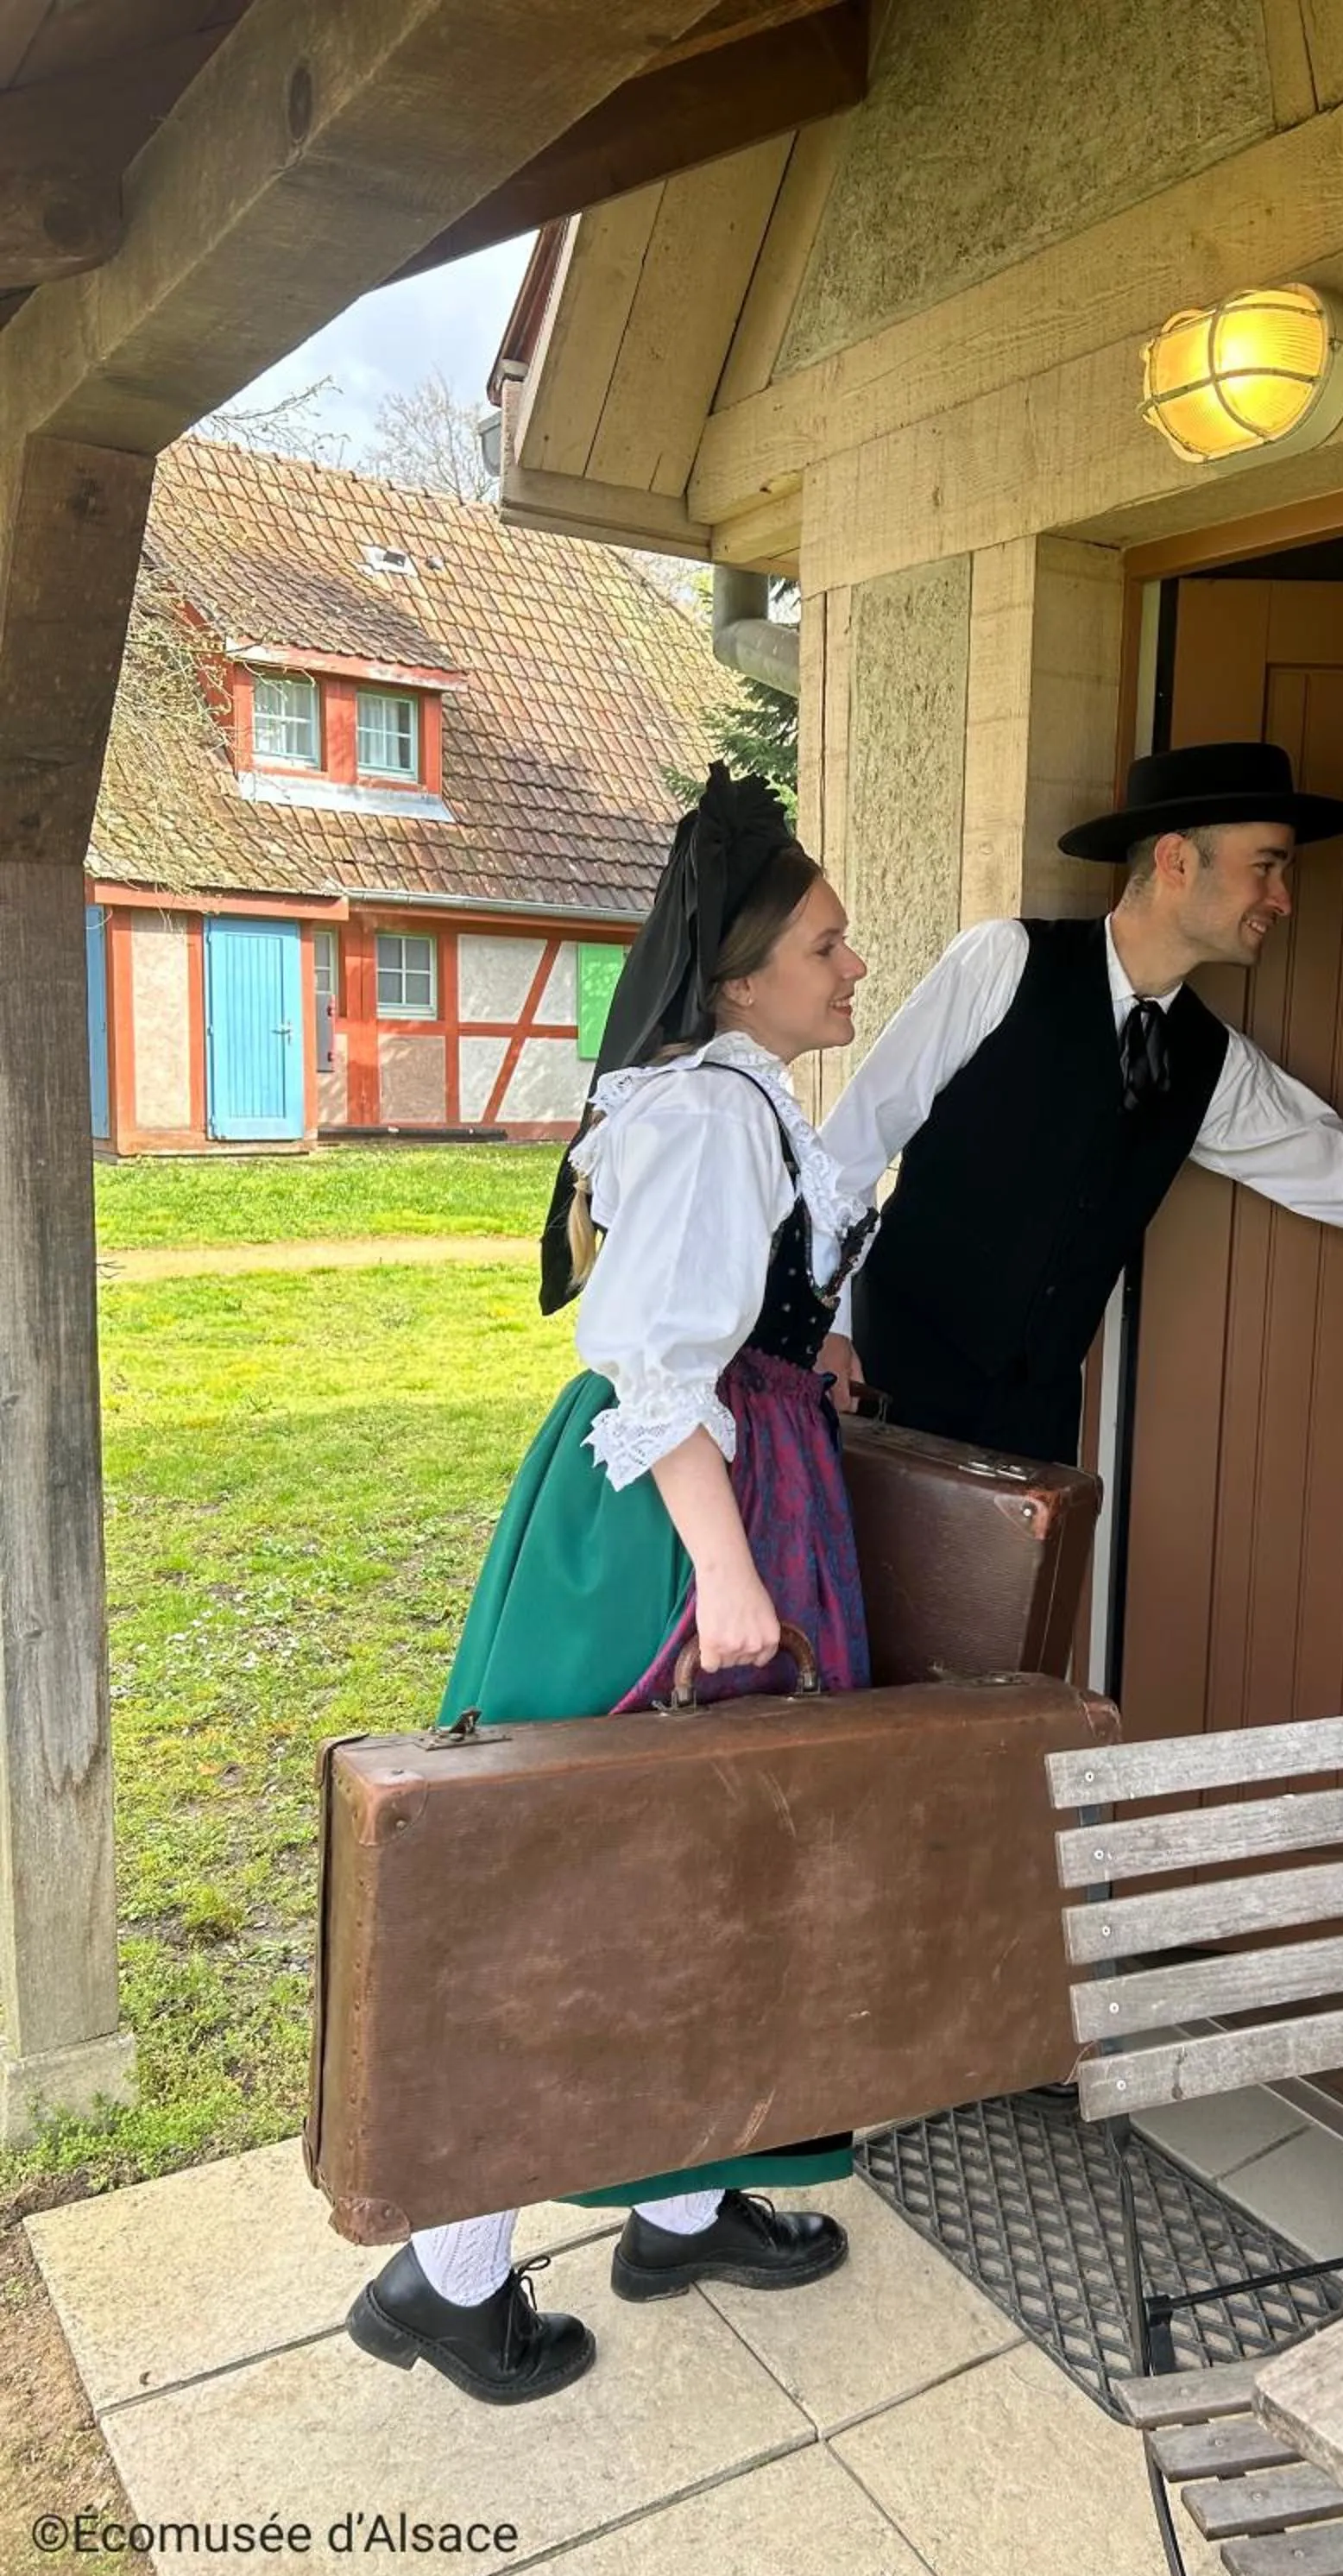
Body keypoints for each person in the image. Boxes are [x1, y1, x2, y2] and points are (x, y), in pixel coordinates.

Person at [345, 768, 875, 2407]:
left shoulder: (726, 1092)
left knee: (708, 1876)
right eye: (828, 946)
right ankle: (449, 2275)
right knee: (582, 1889)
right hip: (676, 1527)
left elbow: (713, 1314)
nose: (855, 967)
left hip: (713, 1483)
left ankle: (680, 2201)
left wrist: (811, 1343)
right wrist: (724, 1572)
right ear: (739, 975)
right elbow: (649, 1353)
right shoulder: (714, 1114)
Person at [818, 741, 1343, 1462]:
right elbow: (847, 1150)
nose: (1283, 899)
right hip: (875, 1393)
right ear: (1178, 862)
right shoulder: (1005, 962)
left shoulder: (1211, 1064)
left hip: (1030, 1436)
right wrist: (826, 1328)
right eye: (1268, 866)